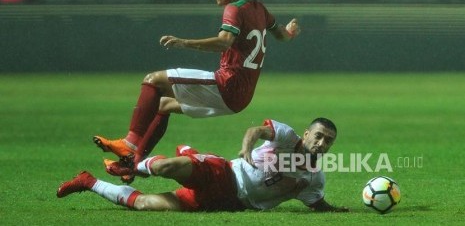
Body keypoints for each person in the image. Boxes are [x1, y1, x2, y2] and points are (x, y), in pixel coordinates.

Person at [92, 0, 301, 178]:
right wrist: (290, 31)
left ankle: (130, 144)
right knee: (162, 104)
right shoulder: (259, 8)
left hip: (226, 85)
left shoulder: (234, 9)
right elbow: (282, 35)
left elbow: (224, 41)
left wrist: (184, 42)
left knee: (153, 80)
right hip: (241, 98)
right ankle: (132, 165)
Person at [58, 118, 348, 213]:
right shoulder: (286, 136)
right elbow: (256, 131)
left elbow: (318, 205)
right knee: (165, 168)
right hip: (225, 172)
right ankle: (132, 166)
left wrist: (346, 210)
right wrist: (246, 148)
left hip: (227, 203)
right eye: (319, 136)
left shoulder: (313, 179)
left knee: (145, 204)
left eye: (328, 141)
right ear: (307, 134)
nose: (322, 144)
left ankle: (87, 181)